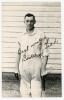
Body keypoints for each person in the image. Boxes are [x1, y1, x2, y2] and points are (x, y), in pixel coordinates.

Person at [16, 13, 48, 97]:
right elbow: (18, 53)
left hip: (36, 67)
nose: (29, 23)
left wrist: (43, 68)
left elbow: (45, 53)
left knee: (37, 93)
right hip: (24, 67)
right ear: (24, 22)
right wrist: (16, 68)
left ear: (35, 22)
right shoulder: (21, 36)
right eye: (27, 21)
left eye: (31, 21)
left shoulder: (41, 34)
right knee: (24, 93)